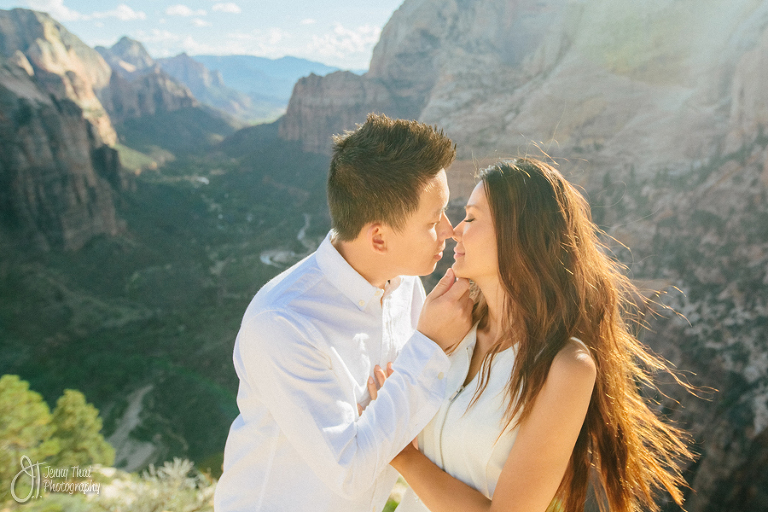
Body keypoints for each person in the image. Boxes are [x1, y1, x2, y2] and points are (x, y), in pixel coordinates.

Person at [390, 158, 693, 512]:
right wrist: (422, 349)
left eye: (471, 218)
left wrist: (404, 456)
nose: (456, 230)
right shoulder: (454, 328)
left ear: (519, 234)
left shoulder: (566, 367)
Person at [213, 114, 474, 512]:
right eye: (433, 220)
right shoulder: (284, 323)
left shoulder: (406, 287)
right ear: (378, 238)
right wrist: (430, 347)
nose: (449, 231)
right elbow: (349, 472)